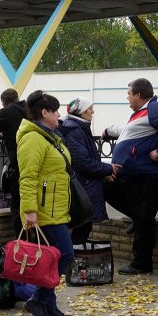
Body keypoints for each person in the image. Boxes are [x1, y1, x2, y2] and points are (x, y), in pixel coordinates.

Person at [103, 78, 158, 275]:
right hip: (134, 173)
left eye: (129, 94)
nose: (127, 97)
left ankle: (142, 263)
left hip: (147, 174)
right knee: (107, 189)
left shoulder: (154, 108)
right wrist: (108, 130)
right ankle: (136, 218)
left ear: (139, 95)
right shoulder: (140, 114)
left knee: (145, 217)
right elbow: (127, 132)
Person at [17, 90, 76, 316]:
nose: (59, 115)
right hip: (43, 210)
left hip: (55, 206)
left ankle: (49, 306)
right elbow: (28, 177)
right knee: (65, 254)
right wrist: (30, 210)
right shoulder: (33, 138)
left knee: (53, 259)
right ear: (45, 112)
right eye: (56, 111)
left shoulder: (49, 136)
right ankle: (38, 299)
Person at [58, 97, 115, 244]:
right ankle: (74, 264)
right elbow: (84, 162)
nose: (93, 112)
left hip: (84, 186)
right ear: (81, 112)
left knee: (81, 228)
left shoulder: (76, 128)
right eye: (90, 109)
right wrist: (109, 169)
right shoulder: (75, 131)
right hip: (83, 188)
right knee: (80, 229)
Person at [0, 87, 29, 235]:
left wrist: (0, 133)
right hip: (36, 161)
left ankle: (22, 243)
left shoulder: (7, 112)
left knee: (18, 203)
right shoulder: (29, 109)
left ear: (4, 102)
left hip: (19, 163)